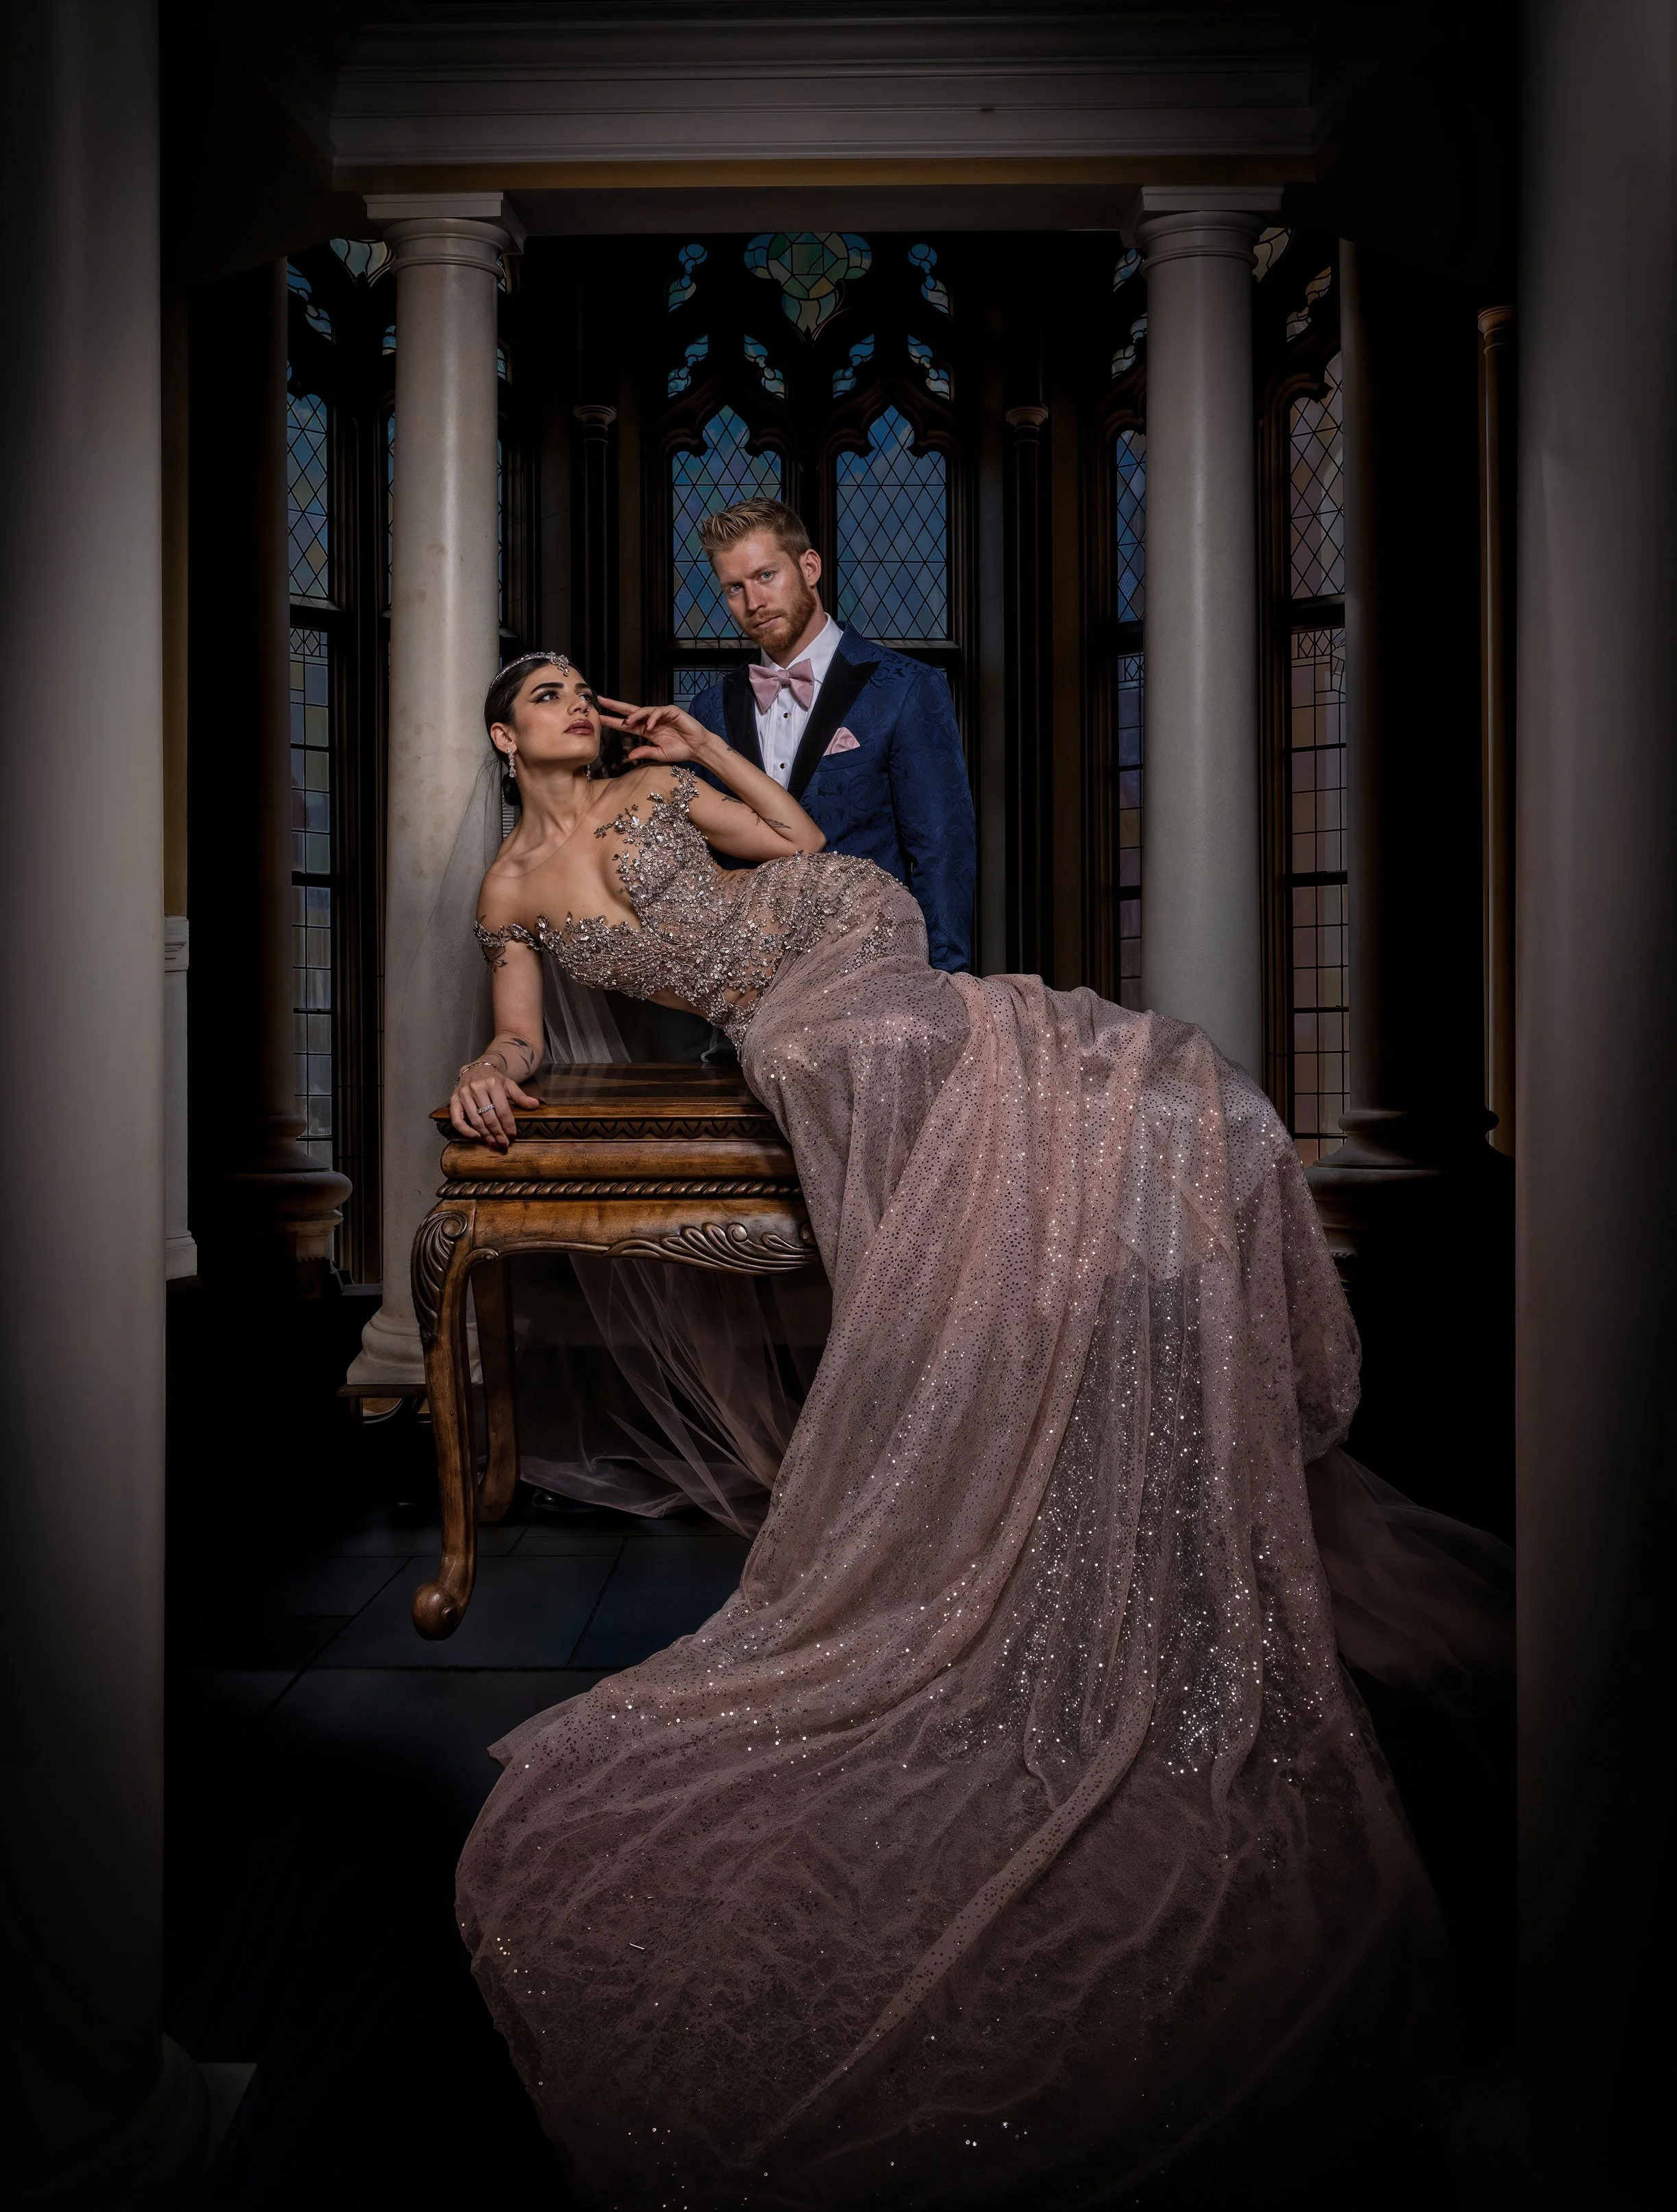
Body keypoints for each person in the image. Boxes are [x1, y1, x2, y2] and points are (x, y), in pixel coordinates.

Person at [450, 656, 1449, 2207]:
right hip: (774, 1016)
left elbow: (800, 848)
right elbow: (520, 1032)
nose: (584, 701)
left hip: (838, 936)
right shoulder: (511, 883)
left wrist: (703, 742)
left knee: (885, 1041)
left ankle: (1031, 1336)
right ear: (504, 732)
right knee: (833, 1057)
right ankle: (1022, 1355)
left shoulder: (656, 788)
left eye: (587, 686)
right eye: (555, 692)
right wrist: (490, 1072)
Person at [683, 496, 977, 974]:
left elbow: (941, 851)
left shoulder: (905, 688)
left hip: (876, 980)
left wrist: (943, 985)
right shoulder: (708, 711)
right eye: (734, 589)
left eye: (765, 576)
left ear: (810, 566)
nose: (754, 602)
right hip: (750, 993)